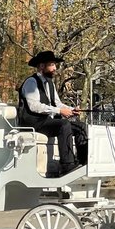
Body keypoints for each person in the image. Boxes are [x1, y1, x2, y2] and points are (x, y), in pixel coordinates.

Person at [17, 49, 87, 177]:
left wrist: (71, 110)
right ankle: (67, 165)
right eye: (52, 65)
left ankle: (83, 162)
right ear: (41, 66)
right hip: (34, 123)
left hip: (47, 122)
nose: (55, 68)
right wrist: (60, 111)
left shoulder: (50, 83)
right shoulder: (31, 82)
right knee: (63, 125)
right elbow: (34, 106)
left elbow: (57, 103)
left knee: (81, 127)